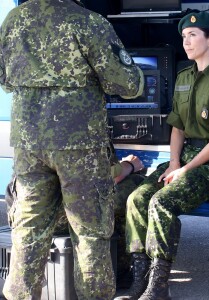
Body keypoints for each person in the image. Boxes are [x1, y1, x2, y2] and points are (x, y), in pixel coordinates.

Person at [0, 0, 144, 298]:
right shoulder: (88, 22)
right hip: (79, 144)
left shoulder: (13, 19)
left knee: (27, 232)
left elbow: (4, 78)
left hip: (29, 142)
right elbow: (128, 84)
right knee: (89, 232)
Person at [115, 12, 209, 300]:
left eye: (193, 35)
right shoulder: (184, 76)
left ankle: (158, 286)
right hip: (183, 158)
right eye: (184, 36)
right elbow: (178, 127)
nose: (186, 42)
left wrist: (185, 169)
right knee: (138, 199)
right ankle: (139, 280)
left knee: (161, 202)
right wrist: (173, 163)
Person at [5, 143, 146, 289]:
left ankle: (20, 289)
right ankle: (120, 271)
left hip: (25, 217)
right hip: (68, 218)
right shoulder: (84, 130)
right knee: (131, 186)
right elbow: (104, 179)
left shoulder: (29, 128)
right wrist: (130, 165)